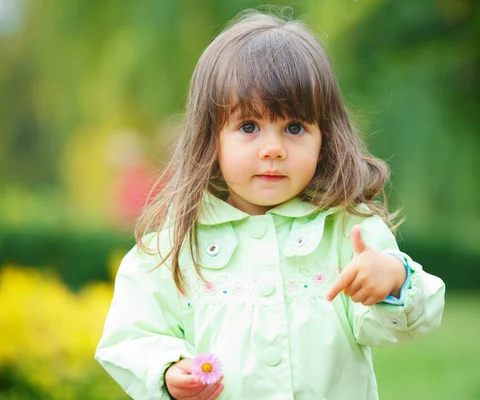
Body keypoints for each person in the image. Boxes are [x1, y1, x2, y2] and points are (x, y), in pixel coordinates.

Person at [96, 9, 445, 400]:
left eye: (295, 128)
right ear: (211, 139)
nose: (274, 149)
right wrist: (167, 369)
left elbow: (396, 326)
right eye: (249, 127)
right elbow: (131, 335)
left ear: (324, 139)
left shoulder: (348, 232)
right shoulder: (174, 245)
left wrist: (393, 280)